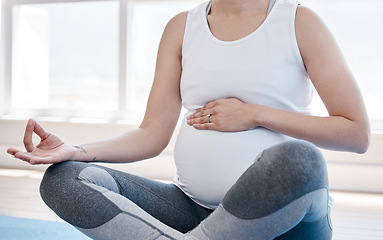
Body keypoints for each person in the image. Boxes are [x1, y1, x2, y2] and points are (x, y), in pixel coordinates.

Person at [7, 0, 370, 239]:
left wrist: (254, 114)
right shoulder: (183, 27)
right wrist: (76, 149)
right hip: (191, 209)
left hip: (282, 223)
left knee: (299, 160)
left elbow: (356, 133)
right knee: (65, 178)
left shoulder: (299, 21)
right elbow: (151, 133)